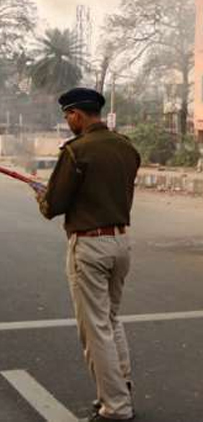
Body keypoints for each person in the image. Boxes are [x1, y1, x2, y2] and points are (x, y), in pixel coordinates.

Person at [36, 87, 141, 421]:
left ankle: (116, 408)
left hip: (91, 245)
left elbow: (54, 206)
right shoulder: (127, 147)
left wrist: (42, 195)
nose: (67, 122)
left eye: (68, 116)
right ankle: (120, 390)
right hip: (121, 242)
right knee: (110, 319)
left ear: (77, 115)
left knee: (95, 328)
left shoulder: (76, 152)